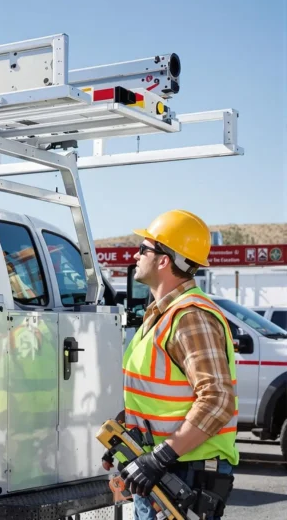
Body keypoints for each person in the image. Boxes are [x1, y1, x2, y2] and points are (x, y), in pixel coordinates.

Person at [104, 209, 237, 519]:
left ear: (164, 260)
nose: (135, 255)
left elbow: (217, 401)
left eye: (143, 249)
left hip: (183, 472)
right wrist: (127, 432)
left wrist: (160, 458)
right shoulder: (162, 314)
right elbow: (162, 395)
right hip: (165, 469)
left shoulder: (189, 316)